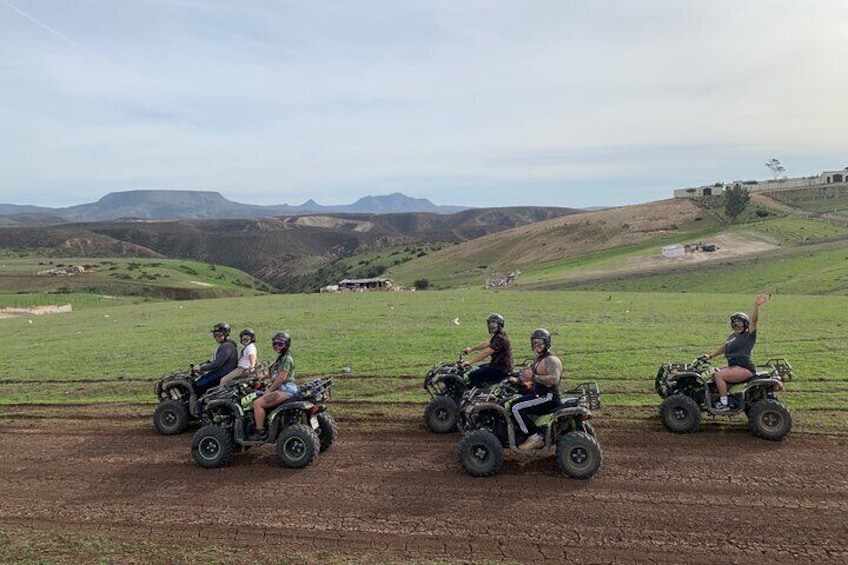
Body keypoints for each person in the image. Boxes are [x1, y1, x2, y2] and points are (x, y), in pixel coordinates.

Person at [702, 295, 769, 412]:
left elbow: (754, 321)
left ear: (745, 323)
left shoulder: (749, 335)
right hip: (733, 366)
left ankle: (724, 403)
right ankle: (724, 397)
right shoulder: (732, 336)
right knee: (713, 372)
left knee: (719, 376)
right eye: (734, 322)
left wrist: (756, 306)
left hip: (744, 367)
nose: (736, 324)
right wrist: (711, 356)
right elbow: (724, 347)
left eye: (739, 322)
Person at [512, 328, 563, 450]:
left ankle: (535, 436)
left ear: (547, 343)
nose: (537, 345)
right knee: (515, 396)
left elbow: (554, 380)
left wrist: (534, 377)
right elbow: (526, 375)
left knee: (516, 407)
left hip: (548, 397)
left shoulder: (551, 360)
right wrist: (514, 377)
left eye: (540, 342)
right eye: (534, 342)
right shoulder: (538, 359)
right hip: (538, 394)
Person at [248, 331, 297, 441]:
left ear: (287, 345)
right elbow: (273, 374)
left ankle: (260, 431)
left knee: (257, 403)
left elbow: (281, 378)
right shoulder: (280, 357)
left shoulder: (286, 359)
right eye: (275, 343)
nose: (277, 346)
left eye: (280, 344)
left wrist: (269, 390)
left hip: (286, 389)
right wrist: (260, 376)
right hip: (284, 388)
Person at [463, 313, 514, 388]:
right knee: (477, 368)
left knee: (472, 375)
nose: (491, 325)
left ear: (499, 324)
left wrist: (470, 362)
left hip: (501, 369)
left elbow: (486, 353)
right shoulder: (499, 335)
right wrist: (471, 349)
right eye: (490, 323)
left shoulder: (500, 338)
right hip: (498, 365)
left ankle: (478, 394)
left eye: (494, 323)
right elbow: (487, 343)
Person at [191, 322, 239, 397]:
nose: (217, 337)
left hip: (221, 373)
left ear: (226, 334)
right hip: (223, 371)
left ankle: (199, 407)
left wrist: (201, 368)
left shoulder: (226, 346)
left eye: (219, 335)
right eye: (215, 335)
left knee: (196, 385)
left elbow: (217, 363)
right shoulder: (230, 343)